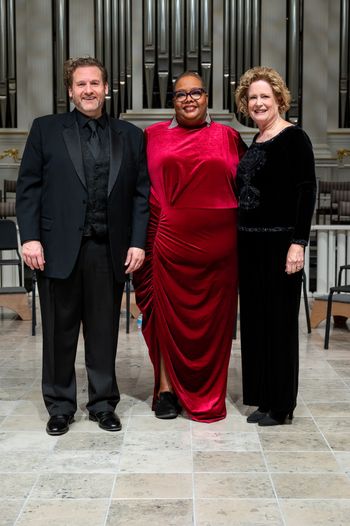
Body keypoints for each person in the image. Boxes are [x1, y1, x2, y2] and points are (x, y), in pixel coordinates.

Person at [16, 57, 149, 435]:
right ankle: (60, 407)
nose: (88, 90)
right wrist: (31, 237)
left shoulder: (131, 136)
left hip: (108, 250)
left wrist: (138, 242)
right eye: (81, 84)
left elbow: (141, 195)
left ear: (107, 88)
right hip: (56, 248)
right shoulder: (45, 130)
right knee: (59, 332)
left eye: (95, 83)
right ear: (70, 91)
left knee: (104, 332)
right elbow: (28, 189)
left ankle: (103, 404)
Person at [133, 71, 246, 422]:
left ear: (207, 97)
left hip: (220, 250)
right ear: (172, 100)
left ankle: (210, 391)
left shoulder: (228, 137)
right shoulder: (150, 137)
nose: (189, 99)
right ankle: (166, 390)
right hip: (166, 243)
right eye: (181, 94)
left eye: (196, 92)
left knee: (214, 323)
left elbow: (247, 189)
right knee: (165, 318)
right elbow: (137, 190)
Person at [235, 66, 316, 426]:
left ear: (279, 99)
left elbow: (306, 192)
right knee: (256, 324)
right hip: (250, 246)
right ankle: (263, 399)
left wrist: (298, 243)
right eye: (252, 97)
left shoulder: (294, 138)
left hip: (281, 244)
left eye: (265, 96)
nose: (258, 102)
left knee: (280, 326)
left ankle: (282, 405)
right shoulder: (255, 140)